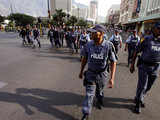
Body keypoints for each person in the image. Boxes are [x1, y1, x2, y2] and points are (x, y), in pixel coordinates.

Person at [79, 24, 117, 120]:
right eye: (91, 32)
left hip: (102, 74)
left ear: (101, 34)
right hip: (90, 73)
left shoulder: (109, 45)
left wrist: (112, 78)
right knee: (89, 94)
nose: (91, 34)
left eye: (94, 32)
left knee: (99, 92)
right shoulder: (88, 44)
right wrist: (81, 71)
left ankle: (100, 99)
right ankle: (86, 113)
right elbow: (84, 58)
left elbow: (113, 62)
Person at [130, 22, 160, 114]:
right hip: (144, 66)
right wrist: (132, 64)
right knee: (142, 86)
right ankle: (137, 104)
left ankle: (139, 96)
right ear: (154, 29)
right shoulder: (146, 39)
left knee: (149, 86)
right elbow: (136, 50)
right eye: (158, 28)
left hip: (155, 67)